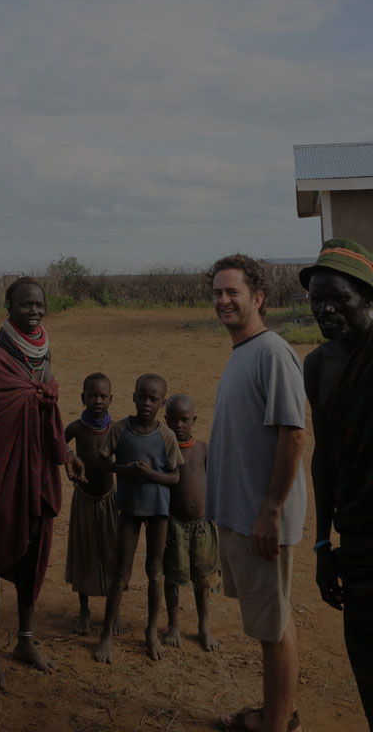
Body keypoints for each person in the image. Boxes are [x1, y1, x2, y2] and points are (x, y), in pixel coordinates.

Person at [0, 277, 84, 690]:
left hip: (37, 469)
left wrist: (65, 454)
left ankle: (25, 641)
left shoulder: (42, 353)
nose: (34, 311)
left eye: (39, 304)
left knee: (33, 552)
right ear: (8, 307)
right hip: (0, 474)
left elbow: (48, 412)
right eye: (26, 304)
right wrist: (32, 399)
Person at [205, 255, 306, 732]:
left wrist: (270, 511)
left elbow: (294, 435)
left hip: (261, 519)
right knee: (274, 621)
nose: (224, 300)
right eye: (217, 293)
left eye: (234, 292)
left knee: (273, 628)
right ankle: (278, 715)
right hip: (244, 515)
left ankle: (277, 726)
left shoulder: (272, 353)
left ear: (258, 298)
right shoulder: (243, 350)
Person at [299, 238, 373, 728]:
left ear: (367, 297)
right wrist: (323, 542)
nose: (324, 308)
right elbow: (323, 458)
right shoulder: (318, 365)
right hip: (357, 543)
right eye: (316, 299)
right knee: (366, 661)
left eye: (337, 298)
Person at [94, 373, 183, 664]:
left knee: (155, 571)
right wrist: (124, 470)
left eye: (153, 399)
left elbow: (174, 477)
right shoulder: (120, 429)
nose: (146, 403)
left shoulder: (167, 436)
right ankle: (106, 634)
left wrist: (150, 475)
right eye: (142, 397)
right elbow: (103, 460)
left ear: (162, 403)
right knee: (121, 572)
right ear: (133, 397)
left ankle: (151, 632)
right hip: (129, 509)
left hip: (158, 510)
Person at [162, 393, 220, 652]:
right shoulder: (164, 449)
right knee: (173, 576)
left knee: (203, 578)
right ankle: (173, 624)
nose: (179, 425)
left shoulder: (203, 450)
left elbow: (215, 481)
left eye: (184, 419)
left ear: (194, 419)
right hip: (174, 525)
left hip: (202, 525)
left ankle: (203, 626)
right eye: (173, 419)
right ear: (166, 420)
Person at [64, 372, 119, 635]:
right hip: (84, 500)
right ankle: (84, 610)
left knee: (113, 553)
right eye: (92, 395)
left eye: (103, 396)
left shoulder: (116, 429)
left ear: (111, 399)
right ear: (82, 397)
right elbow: (56, 443)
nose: (97, 400)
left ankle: (114, 611)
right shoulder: (76, 428)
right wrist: (69, 453)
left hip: (110, 500)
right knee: (84, 553)